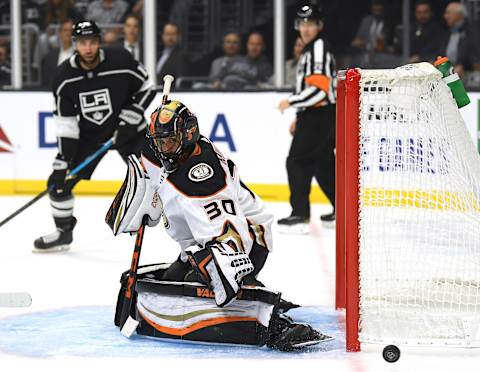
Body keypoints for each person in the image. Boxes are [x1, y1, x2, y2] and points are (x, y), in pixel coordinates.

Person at [105, 99, 331, 350]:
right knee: (172, 279)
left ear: (188, 134)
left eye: (168, 141)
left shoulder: (202, 176)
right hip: (202, 240)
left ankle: (272, 318)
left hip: (247, 237)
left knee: (203, 282)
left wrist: (231, 277)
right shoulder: (174, 153)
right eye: (159, 141)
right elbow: (155, 176)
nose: (163, 147)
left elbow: (230, 236)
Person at [33, 20, 156, 252]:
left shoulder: (120, 59)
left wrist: (131, 116)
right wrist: (64, 159)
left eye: (92, 42)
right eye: (82, 43)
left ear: (99, 42)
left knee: (161, 177)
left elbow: (148, 86)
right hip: (91, 136)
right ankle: (63, 233)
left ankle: (188, 227)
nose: (88, 48)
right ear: (75, 44)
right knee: (58, 184)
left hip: (128, 130)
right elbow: (66, 123)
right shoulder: (64, 77)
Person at [277, 4, 336, 233]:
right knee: (322, 164)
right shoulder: (312, 49)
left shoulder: (318, 48)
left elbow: (320, 91)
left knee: (297, 161)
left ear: (319, 26)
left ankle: (299, 215)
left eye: (310, 23)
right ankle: (343, 211)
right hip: (316, 115)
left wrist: (291, 102)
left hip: (319, 115)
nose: (306, 28)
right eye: (302, 23)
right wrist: (300, 116)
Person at [442, 1, 480, 77]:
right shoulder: (446, 33)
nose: (445, 16)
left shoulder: (472, 32)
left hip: (467, 75)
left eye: (448, 13)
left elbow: (475, 57)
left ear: (459, 15)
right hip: (447, 73)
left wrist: (464, 66)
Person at [41, 19, 75, 88]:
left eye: (70, 30)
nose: (68, 33)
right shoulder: (50, 56)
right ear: (60, 33)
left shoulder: (81, 55)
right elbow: (46, 80)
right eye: (65, 30)